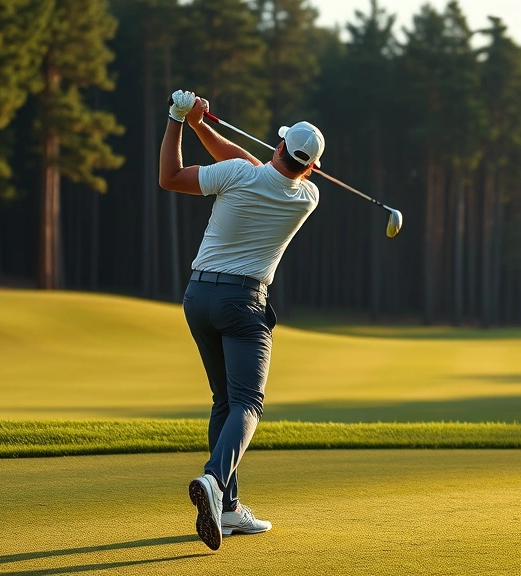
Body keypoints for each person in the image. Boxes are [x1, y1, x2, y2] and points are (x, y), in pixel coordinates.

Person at [158, 90, 324, 551]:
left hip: (198, 296)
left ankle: (227, 508)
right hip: (244, 303)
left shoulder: (238, 175)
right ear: (308, 167)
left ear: (279, 148)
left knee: (226, 401)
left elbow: (170, 177)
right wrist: (199, 126)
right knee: (248, 403)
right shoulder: (307, 196)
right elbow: (258, 167)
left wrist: (179, 120)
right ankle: (214, 481)